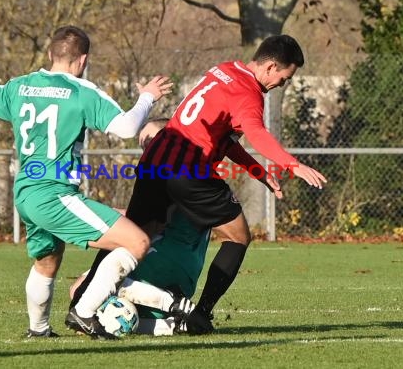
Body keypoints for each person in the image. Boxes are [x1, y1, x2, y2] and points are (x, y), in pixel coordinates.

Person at [0, 25, 174, 339]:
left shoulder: (19, 86)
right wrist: (147, 97)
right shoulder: (82, 92)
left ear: (51, 54)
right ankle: (84, 312)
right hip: (55, 193)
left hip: (25, 191)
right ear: (83, 60)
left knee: (48, 261)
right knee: (138, 242)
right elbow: (126, 128)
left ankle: (38, 331)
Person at [124, 34, 327, 334]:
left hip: (156, 162)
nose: (281, 85)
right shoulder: (249, 93)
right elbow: (256, 134)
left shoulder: (224, 71)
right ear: (270, 67)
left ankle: (88, 300)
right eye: (283, 79)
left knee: (132, 237)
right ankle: (199, 314)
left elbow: (224, 138)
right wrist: (291, 164)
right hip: (188, 169)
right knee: (238, 236)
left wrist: (256, 169)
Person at [70, 118, 283, 336]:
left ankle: (174, 305)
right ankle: (174, 324)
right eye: (144, 144)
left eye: (152, 142)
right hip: (174, 278)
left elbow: (139, 220)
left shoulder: (172, 175)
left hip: (165, 272)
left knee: (83, 287)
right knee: (90, 299)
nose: (147, 149)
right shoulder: (184, 177)